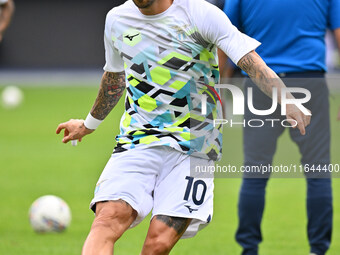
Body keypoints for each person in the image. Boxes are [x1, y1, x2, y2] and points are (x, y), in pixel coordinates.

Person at [56, 0, 310, 254]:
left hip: (196, 146)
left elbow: (250, 62)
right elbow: (115, 76)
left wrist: (287, 100)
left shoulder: (201, 14)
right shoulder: (117, 19)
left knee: (158, 244)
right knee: (106, 220)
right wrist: (89, 124)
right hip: (137, 140)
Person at [221, 0, 340, 255]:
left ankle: (249, 249)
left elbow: (224, 34)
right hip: (308, 81)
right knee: (318, 170)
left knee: (255, 171)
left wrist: (219, 91)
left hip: (261, 82)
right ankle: (318, 250)